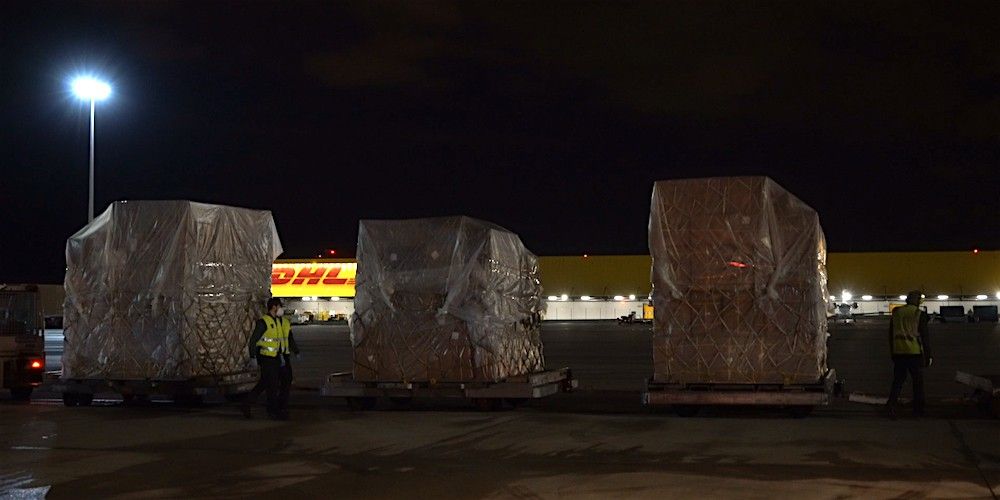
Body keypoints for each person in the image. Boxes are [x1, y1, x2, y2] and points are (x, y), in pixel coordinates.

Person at [242, 298, 299, 420]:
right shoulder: (264, 322)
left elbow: (287, 338)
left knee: (283, 382)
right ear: (274, 307)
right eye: (280, 306)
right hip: (268, 359)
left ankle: (279, 408)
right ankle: (272, 410)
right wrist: (253, 357)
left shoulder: (282, 322)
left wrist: (295, 351)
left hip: (281, 358)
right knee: (270, 385)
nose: (281, 309)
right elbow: (253, 341)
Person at [886, 290, 932, 419]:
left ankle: (891, 405)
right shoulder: (919, 314)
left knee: (898, 381)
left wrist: (892, 352)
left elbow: (890, 335)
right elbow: (925, 337)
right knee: (917, 383)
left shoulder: (896, 312)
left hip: (899, 352)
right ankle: (918, 410)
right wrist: (928, 356)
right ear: (918, 301)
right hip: (914, 352)